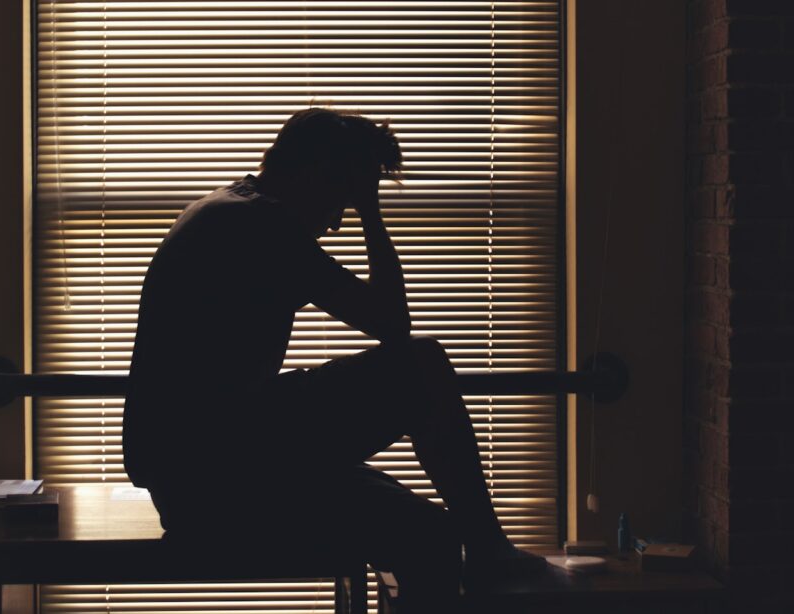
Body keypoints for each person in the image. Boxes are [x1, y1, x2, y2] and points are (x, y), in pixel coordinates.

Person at [123, 108, 544, 612]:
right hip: (216, 476)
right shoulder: (262, 225)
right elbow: (392, 323)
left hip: (202, 464)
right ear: (318, 171)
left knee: (428, 528)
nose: (337, 219)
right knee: (421, 368)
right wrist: (372, 211)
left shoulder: (229, 208)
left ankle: (482, 543)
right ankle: (488, 546)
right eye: (344, 195)